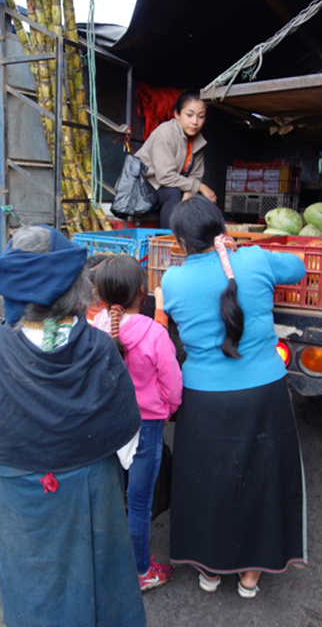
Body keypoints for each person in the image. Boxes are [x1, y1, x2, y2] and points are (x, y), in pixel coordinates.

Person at [0, 225, 146, 627]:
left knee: (32, 585)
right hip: (90, 492)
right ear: (76, 287)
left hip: (18, 497)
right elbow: (126, 436)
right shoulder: (98, 346)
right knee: (99, 581)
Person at [160, 195, 307, 598]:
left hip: (204, 398)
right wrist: (240, 251)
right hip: (264, 393)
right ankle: (251, 575)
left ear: (179, 241)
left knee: (207, 480)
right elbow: (298, 268)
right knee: (262, 479)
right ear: (222, 228)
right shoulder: (255, 259)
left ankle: (210, 570)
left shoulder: (172, 280)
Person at [93, 254, 183, 592]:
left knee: (112, 494)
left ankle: (109, 560)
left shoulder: (94, 329)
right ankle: (141, 570)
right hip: (146, 427)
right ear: (142, 295)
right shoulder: (154, 333)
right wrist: (168, 408)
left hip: (107, 425)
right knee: (140, 502)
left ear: (99, 297)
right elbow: (173, 384)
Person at [135, 90, 217, 228]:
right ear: (177, 114)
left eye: (200, 116)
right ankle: (169, 242)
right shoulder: (166, 133)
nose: (195, 122)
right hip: (142, 187)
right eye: (189, 115)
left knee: (203, 199)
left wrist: (189, 192)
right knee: (173, 193)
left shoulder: (198, 142)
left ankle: (196, 243)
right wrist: (199, 187)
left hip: (168, 185)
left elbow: (196, 176)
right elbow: (165, 177)